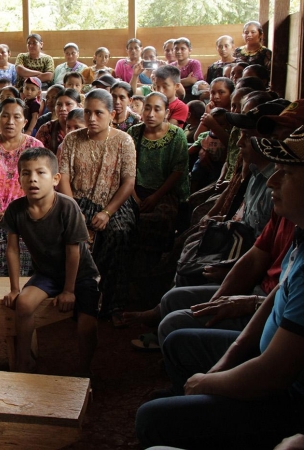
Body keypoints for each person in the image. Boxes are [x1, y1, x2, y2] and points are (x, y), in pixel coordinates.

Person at [134, 128, 304, 449]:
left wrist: (211, 383)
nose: (272, 181)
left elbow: (274, 374)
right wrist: (229, 358)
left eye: (287, 173)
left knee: (151, 419)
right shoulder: (302, 234)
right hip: (265, 357)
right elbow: (272, 301)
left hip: (286, 398)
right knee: (179, 341)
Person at [2, 147, 100, 375]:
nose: (32, 179)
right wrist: (15, 289)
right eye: (26, 173)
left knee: (87, 324)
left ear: (56, 179)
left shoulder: (68, 207)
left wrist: (69, 290)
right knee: (23, 304)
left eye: (40, 173)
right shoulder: (16, 209)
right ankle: (24, 362)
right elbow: (13, 250)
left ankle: (84, 372)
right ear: (19, 179)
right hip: (47, 273)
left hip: (81, 273)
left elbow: (74, 251)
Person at [58, 89, 137, 321]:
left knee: (119, 233)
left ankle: (111, 304)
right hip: (77, 201)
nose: (92, 118)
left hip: (113, 204)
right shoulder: (72, 139)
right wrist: (75, 211)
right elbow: (63, 177)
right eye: (88, 112)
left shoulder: (124, 141)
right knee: (72, 233)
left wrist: (106, 212)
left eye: (99, 113)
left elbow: (129, 182)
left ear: (112, 114)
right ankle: (77, 299)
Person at [0, 98, 43, 276]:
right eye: (5, 116)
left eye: (16, 117)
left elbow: (41, 187)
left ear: (25, 122)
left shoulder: (34, 147)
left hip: (22, 213)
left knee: (20, 239)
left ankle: (14, 291)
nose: (10, 122)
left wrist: (15, 214)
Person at [128, 92, 190, 271]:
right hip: (135, 188)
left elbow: (178, 171)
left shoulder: (177, 135)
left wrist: (156, 197)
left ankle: (156, 266)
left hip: (165, 191)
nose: (151, 114)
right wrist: (134, 196)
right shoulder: (134, 132)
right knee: (126, 219)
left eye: (157, 109)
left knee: (160, 219)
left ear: (167, 113)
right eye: (147, 108)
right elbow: (127, 167)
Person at [36, 87, 81, 154]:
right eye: (59, 105)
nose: (63, 108)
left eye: (68, 104)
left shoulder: (86, 129)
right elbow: (39, 155)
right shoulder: (46, 129)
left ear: (79, 106)